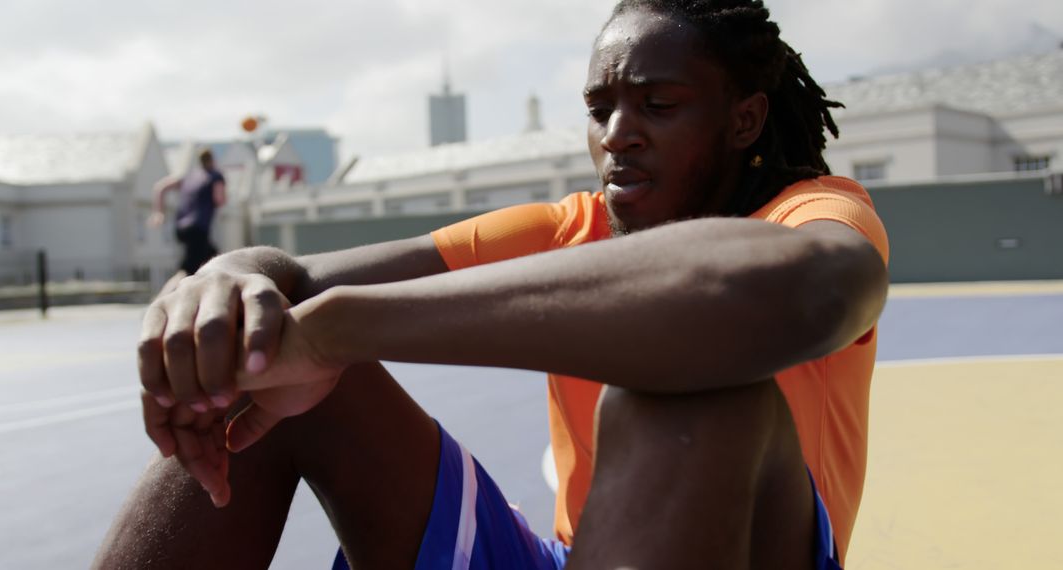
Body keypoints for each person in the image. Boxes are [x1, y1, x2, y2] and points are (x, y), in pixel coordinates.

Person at [95, 1, 889, 568]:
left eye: (658, 104)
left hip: (750, 550)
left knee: (699, 391)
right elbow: (289, 279)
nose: (617, 135)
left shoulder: (815, 212)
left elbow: (785, 294)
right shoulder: (567, 225)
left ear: (744, 121)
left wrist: (337, 332)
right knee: (263, 355)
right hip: (568, 558)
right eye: (600, 108)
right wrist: (226, 278)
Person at [149, 148, 227, 288]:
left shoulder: (189, 177)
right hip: (198, 229)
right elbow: (219, 199)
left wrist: (158, 212)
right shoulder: (215, 176)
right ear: (212, 160)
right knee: (185, 272)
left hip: (181, 228)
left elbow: (160, 187)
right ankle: (160, 303)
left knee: (216, 258)